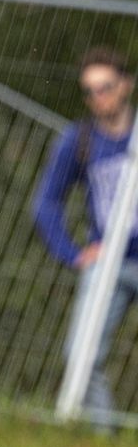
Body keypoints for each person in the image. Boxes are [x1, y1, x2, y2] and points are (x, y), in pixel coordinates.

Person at [33, 46, 138, 422]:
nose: (98, 97)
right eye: (90, 91)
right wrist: (74, 253)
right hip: (108, 263)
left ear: (125, 85)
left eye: (105, 87)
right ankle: (102, 439)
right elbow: (45, 203)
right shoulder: (79, 140)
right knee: (81, 357)